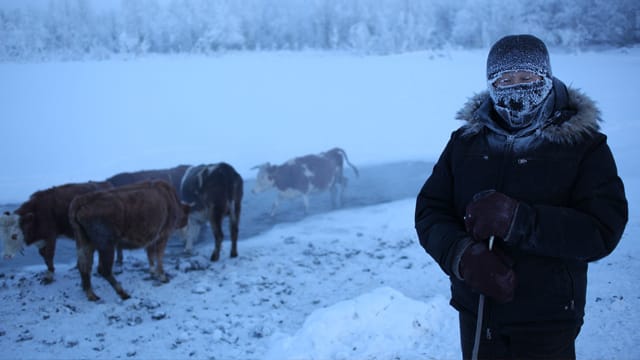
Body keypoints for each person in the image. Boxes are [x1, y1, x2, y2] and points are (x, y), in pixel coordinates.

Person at [414, 34, 628, 359]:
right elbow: (430, 211)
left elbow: (602, 230)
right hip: (478, 312)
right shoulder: (465, 143)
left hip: (549, 318)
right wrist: (461, 255)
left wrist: (519, 220)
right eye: (505, 79)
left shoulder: (584, 146)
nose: (516, 88)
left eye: (527, 78)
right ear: (491, 84)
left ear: (546, 77)